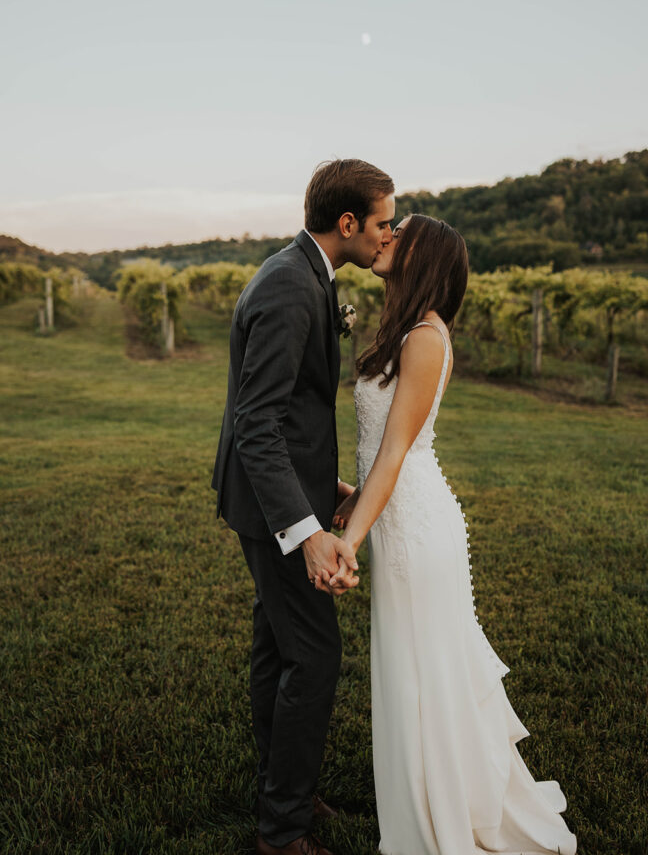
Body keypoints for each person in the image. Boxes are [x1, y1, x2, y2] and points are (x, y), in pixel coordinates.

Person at [330, 214, 578, 855]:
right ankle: (421, 801)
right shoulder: (404, 330)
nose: (385, 238)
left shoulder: (426, 337)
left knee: (423, 677)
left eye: (399, 233)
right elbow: (380, 457)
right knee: (408, 671)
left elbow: (396, 456)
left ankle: (438, 818)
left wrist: (349, 542)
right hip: (393, 515)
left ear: (423, 257)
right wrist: (356, 503)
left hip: (416, 531)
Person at [211, 158, 395, 855]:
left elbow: (290, 417)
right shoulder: (291, 287)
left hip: (282, 493)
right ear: (346, 224)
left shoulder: (305, 271)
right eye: (381, 223)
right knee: (313, 659)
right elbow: (256, 423)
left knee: (277, 649)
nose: (386, 235)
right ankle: (282, 830)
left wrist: (328, 494)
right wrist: (307, 531)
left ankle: (281, 787)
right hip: (272, 510)